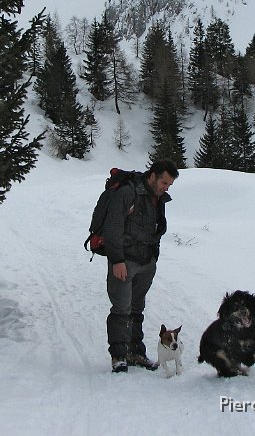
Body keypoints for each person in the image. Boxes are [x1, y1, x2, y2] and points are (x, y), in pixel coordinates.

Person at [103, 159, 178, 373]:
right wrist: (117, 260)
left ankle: (135, 352)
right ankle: (119, 356)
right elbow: (113, 227)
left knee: (137, 308)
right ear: (152, 175)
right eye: (164, 182)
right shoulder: (128, 192)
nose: (166, 188)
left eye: (169, 185)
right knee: (121, 309)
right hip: (125, 260)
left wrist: (153, 258)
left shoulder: (159, 198)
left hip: (146, 261)